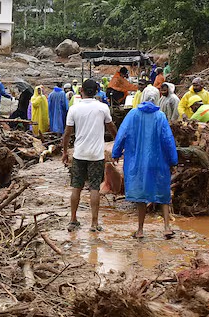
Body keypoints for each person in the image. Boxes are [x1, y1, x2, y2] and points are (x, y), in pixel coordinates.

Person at [112, 85, 179, 239]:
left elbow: (122, 135)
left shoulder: (133, 114)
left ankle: (140, 230)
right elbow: (168, 140)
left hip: (137, 162)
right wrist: (173, 161)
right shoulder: (160, 116)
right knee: (163, 193)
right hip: (158, 161)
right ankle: (167, 227)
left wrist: (116, 153)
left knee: (140, 196)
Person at [62, 77, 112, 232]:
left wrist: (64, 152)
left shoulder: (74, 108)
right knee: (95, 187)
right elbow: (111, 127)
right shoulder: (103, 108)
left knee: (76, 187)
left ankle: (73, 220)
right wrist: (117, 143)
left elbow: (67, 133)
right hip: (96, 155)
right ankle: (94, 223)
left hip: (79, 154)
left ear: (81, 91)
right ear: (96, 92)